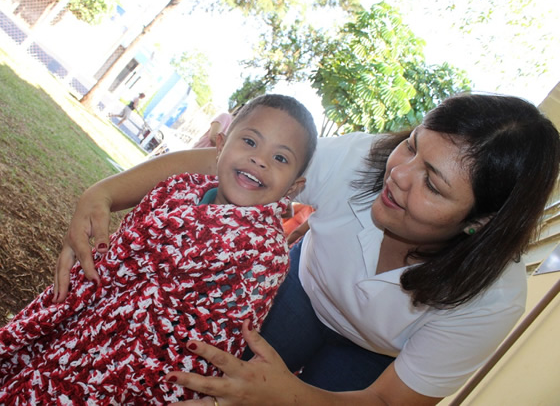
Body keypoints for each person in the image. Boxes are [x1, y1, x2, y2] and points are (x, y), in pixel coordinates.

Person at [49, 93, 559, 405]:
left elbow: (387, 401)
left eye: (433, 183)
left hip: (373, 356)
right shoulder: (359, 160)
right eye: (412, 145)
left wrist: (285, 396)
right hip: (302, 287)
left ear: (480, 222)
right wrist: (103, 194)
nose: (399, 175)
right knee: (206, 383)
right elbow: (221, 164)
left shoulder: (490, 300)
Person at [0, 94, 318, 405]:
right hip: (88, 317)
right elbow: (126, 242)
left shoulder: (265, 252)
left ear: (294, 187)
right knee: (24, 377)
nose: (259, 159)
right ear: (219, 145)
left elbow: (219, 335)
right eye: (249, 141)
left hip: (136, 369)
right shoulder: (182, 186)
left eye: (280, 158)